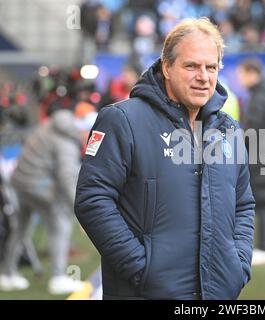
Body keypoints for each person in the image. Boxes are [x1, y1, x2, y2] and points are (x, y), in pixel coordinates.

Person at [74, 17, 255, 300]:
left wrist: (238, 265)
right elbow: (92, 200)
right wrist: (141, 269)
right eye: (192, 65)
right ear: (167, 67)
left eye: (211, 67)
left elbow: (243, 203)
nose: (203, 76)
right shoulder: (122, 120)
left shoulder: (229, 130)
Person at [0, 106, 97, 294]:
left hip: (19, 180)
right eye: (91, 133)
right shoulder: (66, 142)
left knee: (20, 229)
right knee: (60, 222)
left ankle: (7, 275)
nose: (91, 138)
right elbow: (67, 178)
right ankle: (59, 278)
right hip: (36, 184)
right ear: (84, 128)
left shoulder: (55, 123)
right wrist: (82, 213)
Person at [237, 58, 265, 265]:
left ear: (252, 73)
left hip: (262, 157)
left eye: (243, 74)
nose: (241, 79)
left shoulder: (259, 97)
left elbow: (251, 131)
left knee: (262, 203)